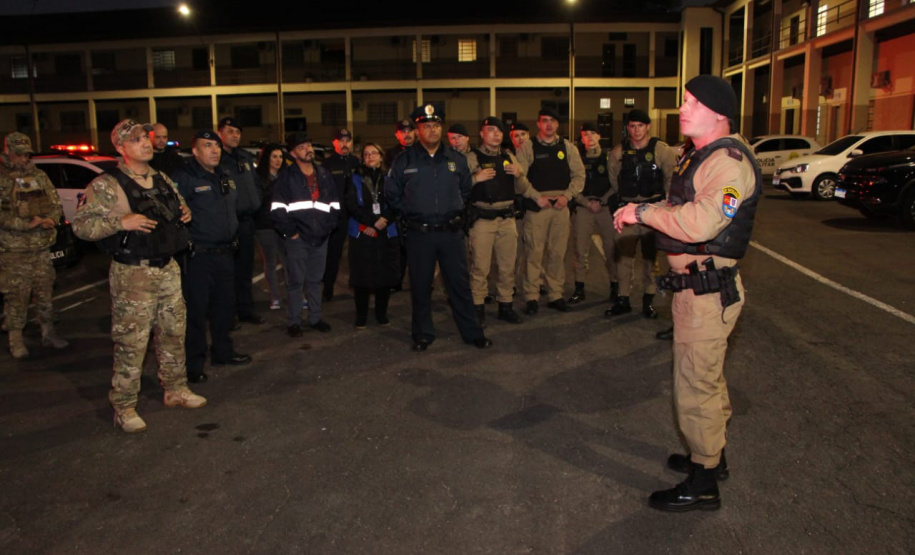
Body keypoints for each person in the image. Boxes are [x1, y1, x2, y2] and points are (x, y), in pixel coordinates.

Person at [614, 75, 761, 512]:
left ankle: (702, 484)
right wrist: (651, 214)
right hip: (696, 289)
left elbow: (700, 223)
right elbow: (681, 209)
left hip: (706, 294)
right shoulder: (699, 155)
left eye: (691, 102)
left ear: (718, 113)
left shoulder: (729, 164)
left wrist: (642, 210)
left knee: (695, 386)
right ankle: (711, 457)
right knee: (706, 380)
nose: (682, 108)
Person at [71, 120, 205, 433]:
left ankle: (175, 389)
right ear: (120, 147)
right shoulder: (107, 184)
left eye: (146, 137)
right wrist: (121, 222)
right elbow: (81, 226)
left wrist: (185, 213)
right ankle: (124, 406)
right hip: (134, 273)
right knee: (132, 343)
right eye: (136, 139)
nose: (145, 143)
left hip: (168, 268)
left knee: (173, 333)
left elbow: (179, 205)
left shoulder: (161, 178)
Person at [385, 104, 491, 352]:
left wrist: (451, 210)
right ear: (418, 130)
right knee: (421, 287)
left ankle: (472, 333)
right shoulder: (404, 160)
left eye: (436, 125)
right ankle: (422, 334)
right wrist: (411, 213)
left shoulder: (455, 159)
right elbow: (392, 194)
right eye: (426, 126)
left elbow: (465, 190)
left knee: (459, 286)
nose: (431, 130)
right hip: (419, 234)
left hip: (451, 233)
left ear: (441, 128)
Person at [173, 129, 252, 383]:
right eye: (208, 146)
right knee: (196, 312)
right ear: (195, 151)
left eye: (216, 146)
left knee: (224, 308)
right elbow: (173, 214)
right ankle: (194, 364)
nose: (215, 150)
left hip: (226, 253)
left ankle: (223, 351)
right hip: (199, 256)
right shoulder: (185, 178)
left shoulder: (225, 176)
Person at [0, 132, 69, 359]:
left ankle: (48, 334)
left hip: (40, 247)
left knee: (45, 293)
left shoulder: (39, 176)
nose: (23, 158)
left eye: (26, 154)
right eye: (19, 154)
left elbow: (55, 204)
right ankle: (15, 340)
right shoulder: (2, 178)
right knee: (16, 296)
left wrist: (51, 219)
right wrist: (23, 225)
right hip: (14, 250)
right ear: (7, 150)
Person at [465, 116, 537, 326]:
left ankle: (505, 305)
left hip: (507, 219)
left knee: (507, 266)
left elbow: (522, 189)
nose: (495, 134)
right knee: (480, 267)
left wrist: (518, 175)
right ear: (481, 133)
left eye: (499, 131)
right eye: (490, 130)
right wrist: (475, 179)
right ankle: (477, 307)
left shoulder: (509, 156)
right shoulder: (472, 158)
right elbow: (459, 187)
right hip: (483, 220)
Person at [606, 109, 676, 319]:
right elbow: (614, 180)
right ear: (627, 128)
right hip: (627, 212)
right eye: (632, 126)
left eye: (640, 126)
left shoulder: (661, 150)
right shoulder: (618, 152)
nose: (636, 130)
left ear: (648, 127)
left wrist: (663, 207)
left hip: (652, 211)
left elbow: (670, 181)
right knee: (623, 259)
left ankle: (648, 301)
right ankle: (623, 299)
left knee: (650, 260)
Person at [514, 108, 585, 314]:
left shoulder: (568, 147)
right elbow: (520, 179)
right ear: (538, 124)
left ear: (557, 124)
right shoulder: (528, 147)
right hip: (538, 207)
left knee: (557, 253)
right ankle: (532, 296)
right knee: (534, 254)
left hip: (560, 206)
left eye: (553, 121)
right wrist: (537, 196)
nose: (549, 125)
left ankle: (555, 294)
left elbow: (579, 176)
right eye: (545, 121)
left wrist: (567, 196)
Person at [271, 133, 340, 337]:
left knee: (315, 279)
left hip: (320, 236)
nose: (308, 149)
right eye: (302, 147)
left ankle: (315, 318)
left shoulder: (324, 174)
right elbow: (277, 208)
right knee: (296, 281)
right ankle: (294, 321)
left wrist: (328, 227)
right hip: (298, 237)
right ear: (293, 153)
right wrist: (291, 233)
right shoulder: (286, 177)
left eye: (309, 145)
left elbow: (334, 204)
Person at [345, 142, 400, 329]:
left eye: (374, 153)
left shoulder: (389, 178)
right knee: (362, 276)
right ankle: (361, 315)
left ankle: (381, 313)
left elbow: (396, 202)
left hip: (385, 230)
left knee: (383, 277)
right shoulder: (354, 178)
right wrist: (369, 223)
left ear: (381, 156)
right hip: (362, 232)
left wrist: (382, 221)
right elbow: (351, 205)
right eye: (366, 154)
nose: (370, 157)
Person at [217, 117, 264, 326]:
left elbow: (255, 183)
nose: (234, 135)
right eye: (230, 131)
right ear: (220, 133)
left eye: (237, 131)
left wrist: (257, 203)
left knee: (245, 269)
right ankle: (228, 314)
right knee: (227, 272)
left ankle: (246, 310)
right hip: (226, 223)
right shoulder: (216, 159)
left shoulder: (244, 157)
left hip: (246, 221)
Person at [567, 122, 619, 306]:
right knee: (580, 251)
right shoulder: (577, 158)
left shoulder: (609, 157)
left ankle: (615, 287)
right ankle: (579, 288)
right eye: (585, 134)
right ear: (581, 138)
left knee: (611, 249)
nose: (589, 138)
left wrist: (602, 201)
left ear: (599, 136)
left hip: (604, 208)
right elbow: (571, 185)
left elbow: (616, 184)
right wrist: (586, 202)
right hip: (583, 208)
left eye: (592, 134)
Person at [321, 128, 360, 302]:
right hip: (337, 216)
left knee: (357, 254)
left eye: (348, 141)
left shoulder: (356, 162)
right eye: (341, 141)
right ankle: (328, 289)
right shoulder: (327, 164)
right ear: (334, 143)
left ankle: (358, 287)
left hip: (356, 215)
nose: (345, 144)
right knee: (333, 255)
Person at [253, 144, 288, 310]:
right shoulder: (258, 177)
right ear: (266, 158)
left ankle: (296, 295)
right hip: (265, 225)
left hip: (284, 224)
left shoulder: (286, 176)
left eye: (280, 156)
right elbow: (258, 201)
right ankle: (275, 297)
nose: (278, 160)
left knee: (289, 261)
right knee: (271, 262)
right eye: (274, 156)